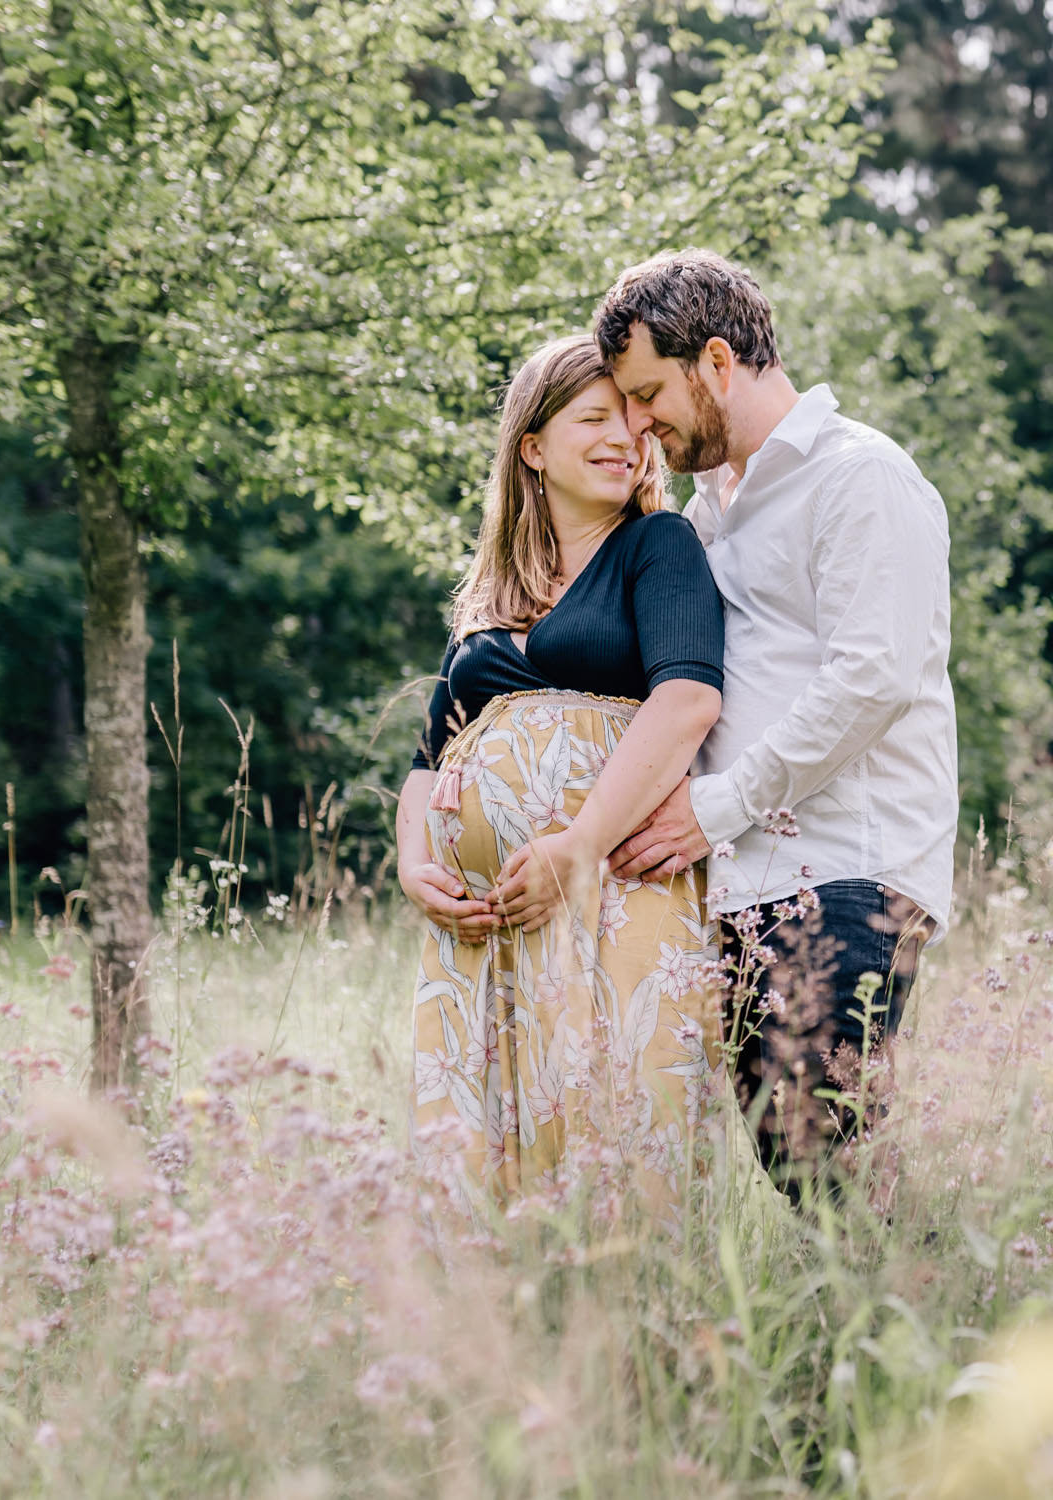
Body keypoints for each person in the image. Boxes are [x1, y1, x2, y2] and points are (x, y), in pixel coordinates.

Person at [595, 250, 959, 1198]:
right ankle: (896, 1338)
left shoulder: (860, 477)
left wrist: (716, 807)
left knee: (831, 1171)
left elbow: (871, 678)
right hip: (745, 882)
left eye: (647, 394)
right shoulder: (714, 508)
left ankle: (948, 1340)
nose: (638, 425)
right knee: (803, 1175)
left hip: (847, 870)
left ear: (716, 361)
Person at [395, 334, 726, 1224]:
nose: (626, 438)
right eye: (594, 419)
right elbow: (429, 763)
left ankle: (634, 1347)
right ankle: (512, 1348)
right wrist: (413, 864)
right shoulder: (489, 597)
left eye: (633, 421)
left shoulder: (660, 547)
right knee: (490, 1158)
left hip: (613, 892)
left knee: (621, 1128)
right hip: (482, 928)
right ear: (532, 447)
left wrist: (579, 846)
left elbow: (689, 700)